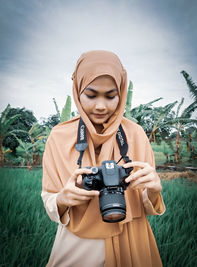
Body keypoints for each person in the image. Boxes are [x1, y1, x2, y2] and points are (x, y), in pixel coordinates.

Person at [41, 50, 166, 267]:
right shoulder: (59, 136)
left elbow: (146, 205)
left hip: (131, 235)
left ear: (122, 93)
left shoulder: (135, 134)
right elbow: (50, 197)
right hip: (77, 241)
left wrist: (154, 189)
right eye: (91, 95)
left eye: (110, 96)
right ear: (78, 90)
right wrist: (62, 198)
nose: (101, 106)